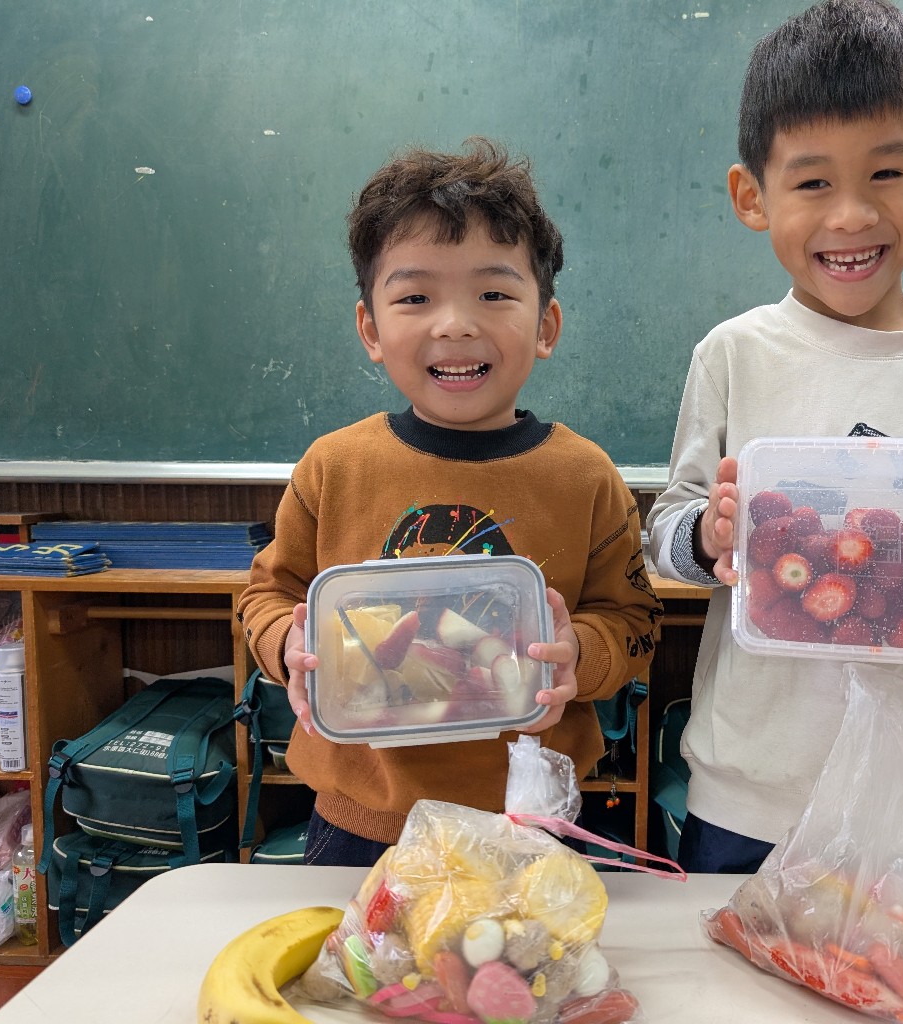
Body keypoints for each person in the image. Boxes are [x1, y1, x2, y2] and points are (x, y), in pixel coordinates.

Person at [646, 0, 903, 876]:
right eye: (812, 183)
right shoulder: (735, 354)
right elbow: (668, 530)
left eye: (885, 173)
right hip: (754, 789)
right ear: (752, 196)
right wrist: (710, 535)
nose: (850, 216)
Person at [239, 138, 662, 867]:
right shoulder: (334, 468)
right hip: (362, 819)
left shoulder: (585, 477)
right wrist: (288, 644)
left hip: (527, 817)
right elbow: (266, 596)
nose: (456, 323)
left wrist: (579, 655)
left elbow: (637, 623)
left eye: (494, 294)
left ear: (546, 325)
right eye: (415, 297)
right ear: (371, 329)